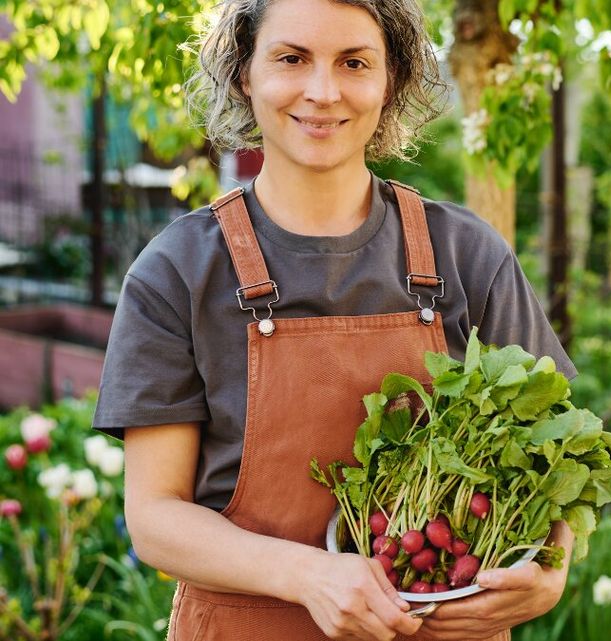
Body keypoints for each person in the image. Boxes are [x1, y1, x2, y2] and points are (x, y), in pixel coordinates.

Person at [92, 0, 577, 639]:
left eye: (354, 63)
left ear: (391, 80)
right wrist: (308, 575)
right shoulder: (177, 271)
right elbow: (155, 516)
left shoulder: (468, 256)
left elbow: (555, 454)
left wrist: (551, 571)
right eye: (292, 58)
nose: (323, 92)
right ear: (243, 73)